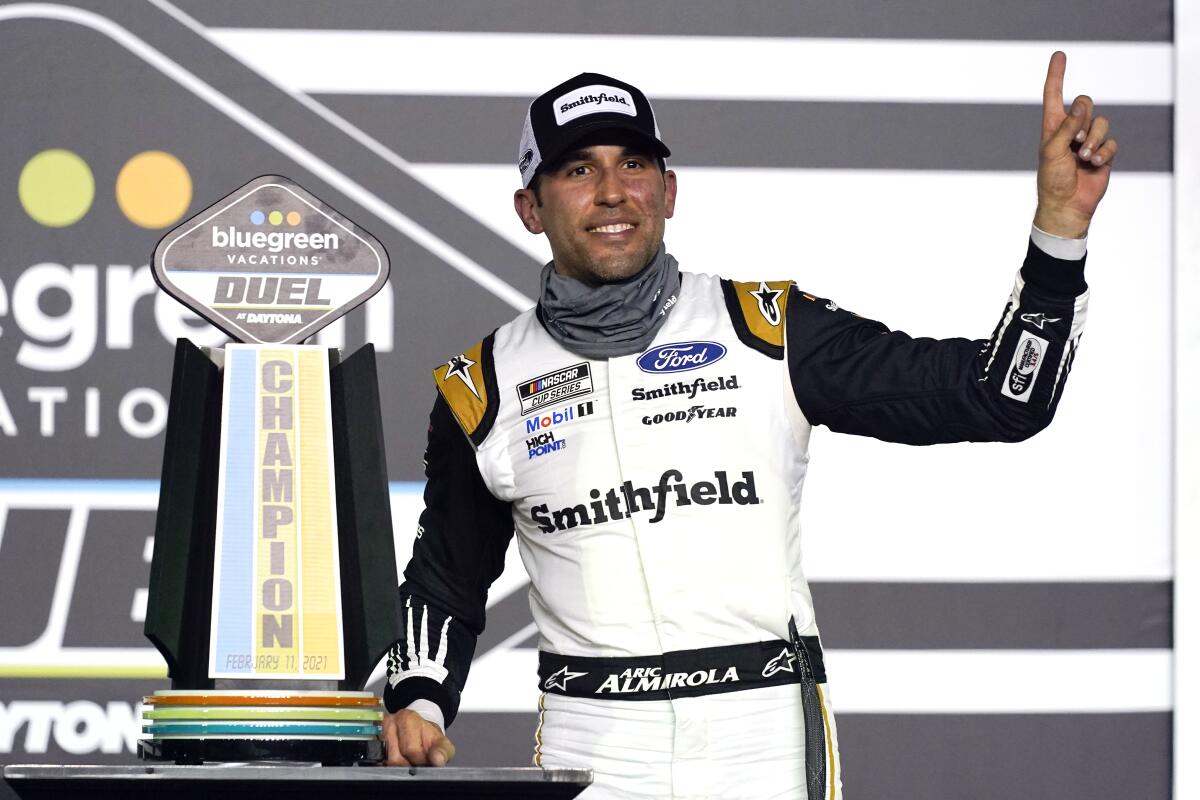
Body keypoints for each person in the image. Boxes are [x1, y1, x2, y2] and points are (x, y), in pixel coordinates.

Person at [379, 53, 1116, 799]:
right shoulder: (483, 386)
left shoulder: (770, 331)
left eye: (633, 163)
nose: (611, 192)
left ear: (668, 191)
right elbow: (446, 578)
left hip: (763, 740)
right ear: (530, 208)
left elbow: (1002, 396)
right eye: (577, 170)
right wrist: (416, 702)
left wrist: (1060, 230)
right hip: (595, 744)